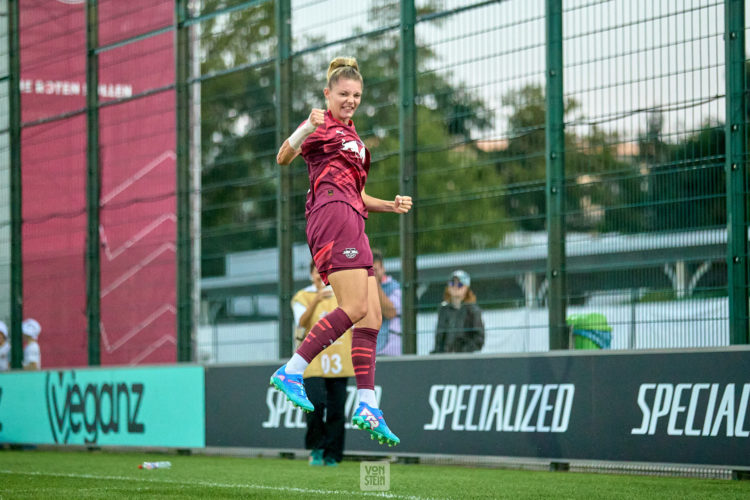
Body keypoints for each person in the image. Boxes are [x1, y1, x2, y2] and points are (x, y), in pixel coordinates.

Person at [271, 56, 412, 447]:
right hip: (332, 216)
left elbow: (359, 194)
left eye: (356, 95)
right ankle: (293, 370)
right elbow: (283, 156)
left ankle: (367, 404)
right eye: (343, 94)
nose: (350, 100)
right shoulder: (320, 126)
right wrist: (305, 128)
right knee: (351, 308)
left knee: (372, 317)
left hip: (353, 217)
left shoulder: (355, 139)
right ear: (327, 94)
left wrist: (391, 204)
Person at [292, 262, 354, 466]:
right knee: (315, 404)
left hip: (339, 357)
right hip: (313, 359)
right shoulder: (302, 297)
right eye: (317, 272)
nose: (321, 275)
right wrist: (317, 299)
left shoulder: (344, 295)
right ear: (311, 275)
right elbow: (301, 322)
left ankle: (333, 454)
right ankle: (316, 448)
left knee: (337, 409)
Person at [432, 270, 485, 353]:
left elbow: (479, 339)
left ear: (466, 288)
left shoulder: (473, 310)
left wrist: (463, 351)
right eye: (452, 283)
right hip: (445, 358)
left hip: (464, 359)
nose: (455, 287)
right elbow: (439, 337)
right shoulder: (443, 309)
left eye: (460, 284)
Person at [372, 250, 401, 356]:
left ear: (383, 269)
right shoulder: (361, 289)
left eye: (375, 270)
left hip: (389, 350)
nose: (372, 274)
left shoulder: (394, 288)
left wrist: (375, 285)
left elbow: (391, 313)